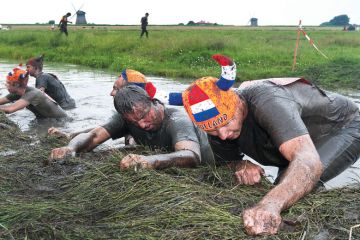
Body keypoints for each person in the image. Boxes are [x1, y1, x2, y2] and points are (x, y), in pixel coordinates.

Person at [177, 55, 360, 236]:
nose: (223, 135)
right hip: (292, 147)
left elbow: (309, 161)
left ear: (238, 104)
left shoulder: (267, 100)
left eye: (227, 123)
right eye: (213, 131)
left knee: (293, 189)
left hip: (341, 127)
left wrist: (269, 205)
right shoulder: (219, 129)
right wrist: (241, 165)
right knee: (282, 189)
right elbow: (226, 162)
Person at [50, 84, 215, 170]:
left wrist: (150, 161)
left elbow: (191, 156)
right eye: (135, 122)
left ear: (154, 102)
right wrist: (71, 148)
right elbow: (94, 136)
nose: (142, 124)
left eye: (144, 115)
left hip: (210, 166)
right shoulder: (127, 118)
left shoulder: (177, 119)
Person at [0, 65, 67, 118]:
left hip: (59, 121)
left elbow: (10, 109)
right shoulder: (18, 93)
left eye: (8, 83)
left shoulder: (32, 94)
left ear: (16, 85)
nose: (6, 85)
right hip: (44, 118)